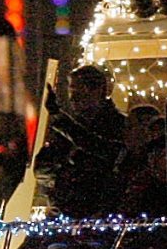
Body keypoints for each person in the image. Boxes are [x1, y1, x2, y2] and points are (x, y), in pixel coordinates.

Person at [36, 65, 129, 214]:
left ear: (97, 90)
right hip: (63, 212)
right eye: (71, 90)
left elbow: (103, 153)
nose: (72, 97)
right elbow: (41, 168)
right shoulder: (67, 127)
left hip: (101, 215)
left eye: (77, 90)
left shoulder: (119, 125)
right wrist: (63, 180)